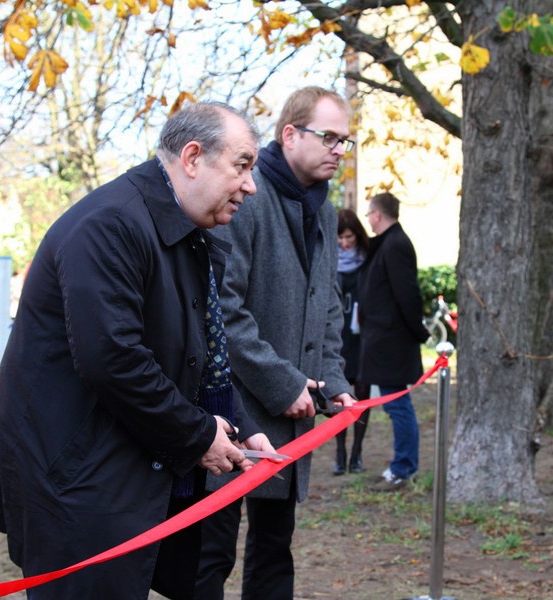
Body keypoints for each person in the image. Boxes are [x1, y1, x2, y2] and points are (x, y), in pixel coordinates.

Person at [0, 102, 278, 600]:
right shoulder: (111, 224)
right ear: (192, 158)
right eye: (241, 165)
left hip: (126, 469)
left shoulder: (184, 231)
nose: (250, 185)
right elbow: (114, 360)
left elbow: (198, 352)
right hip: (77, 480)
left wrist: (240, 428)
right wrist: (197, 436)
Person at [196, 86, 357, 600]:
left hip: (294, 414)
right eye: (328, 137)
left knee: (274, 549)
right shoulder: (245, 195)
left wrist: (333, 381)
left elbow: (327, 306)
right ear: (290, 135)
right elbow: (223, 310)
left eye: (344, 141)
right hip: (233, 408)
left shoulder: (325, 211)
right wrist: (284, 383)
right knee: (211, 554)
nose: (338, 149)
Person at [358, 192, 430, 489]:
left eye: (369, 214)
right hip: (386, 341)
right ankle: (402, 464)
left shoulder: (396, 244)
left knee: (398, 405)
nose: (367, 220)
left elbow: (407, 294)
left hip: (393, 343)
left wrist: (418, 332)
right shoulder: (388, 243)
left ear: (377, 214)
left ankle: (404, 467)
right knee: (396, 405)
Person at [333, 209, 371, 475]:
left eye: (349, 237)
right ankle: (340, 452)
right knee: (340, 396)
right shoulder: (328, 259)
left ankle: (357, 453)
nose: (345, 243)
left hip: (363, 338)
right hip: (338, 337)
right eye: (340, 238)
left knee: (363, 395)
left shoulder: (367, 261)